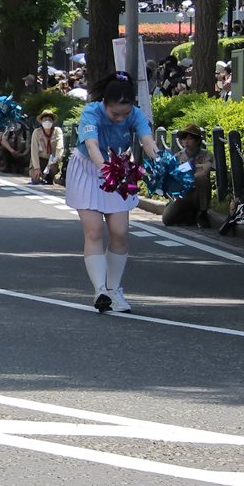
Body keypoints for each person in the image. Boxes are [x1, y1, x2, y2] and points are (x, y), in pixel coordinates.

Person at [64, 73, 159, 313]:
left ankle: (114, 289)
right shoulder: (91, 112)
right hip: (89, 169)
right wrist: (105, 169)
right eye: (115, 114)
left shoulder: (135, 114)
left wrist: (160, 161)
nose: (120, 119)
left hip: (118, 167)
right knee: (94, 230)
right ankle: (100, 291)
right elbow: (92, 145)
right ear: (105, 103)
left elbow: (147, 140)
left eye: (125, 115)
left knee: (120, 231)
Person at [161, 124, 215, 229]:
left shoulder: (207, 155)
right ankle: (189, 215)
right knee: (167, 219)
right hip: (183, 195)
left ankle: (203, 212)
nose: (186, 142)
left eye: (190, 139)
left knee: (202, 179)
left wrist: (188, 176)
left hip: (198, 193)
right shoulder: (178, 156)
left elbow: (204, 171)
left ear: (197, 141)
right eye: (184, 138)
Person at [28, 111, 63, 185]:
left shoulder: (57, 131)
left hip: (52, 160)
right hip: (40, 159)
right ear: (41, 121)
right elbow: (34, 151)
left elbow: (60, 146)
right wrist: (37, 167)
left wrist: (56, 159)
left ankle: (50, 177)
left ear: (52, 121)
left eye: (49, 119)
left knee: (53, 169)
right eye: (45, 119)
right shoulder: (37, 132)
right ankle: (38, 174)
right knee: (36, 179)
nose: (47, 122)